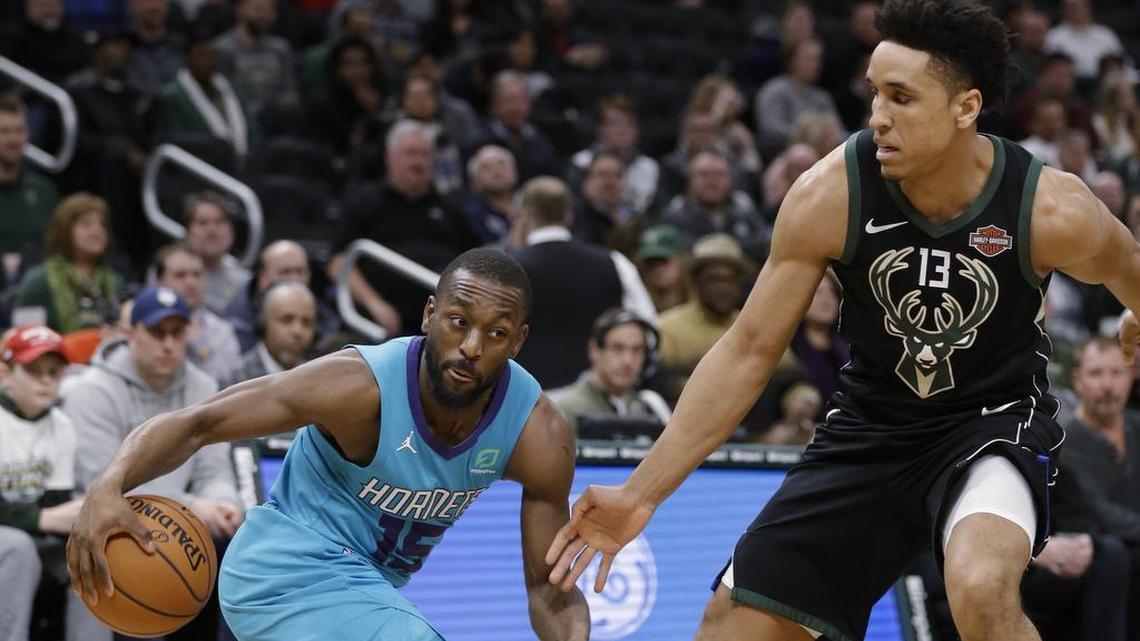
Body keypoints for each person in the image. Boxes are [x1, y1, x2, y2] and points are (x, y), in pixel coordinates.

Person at [545, 3, 1140, 641]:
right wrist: (642, 492)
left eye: (902, 98)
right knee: (731, 628)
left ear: (965, 108)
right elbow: (748, 351)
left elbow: (1130, 264)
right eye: (874, 94)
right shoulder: (830, 193)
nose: (878, 117)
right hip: (871, 425)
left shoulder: (1050, 207)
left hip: (990, 424)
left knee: (979, 587)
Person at [66, 249, 590, 641]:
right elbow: (199, 421)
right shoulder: (356, 386)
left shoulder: (537, 433)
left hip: (365, 592)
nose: (472, 347)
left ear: (518, 342)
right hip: (282, 571)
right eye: (459, 323)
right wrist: (108, 486)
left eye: (496, 335)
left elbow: (549, 588)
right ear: (430, 315)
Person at [63, 284, 243, 640]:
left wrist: (225, 504)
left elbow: (215, 469)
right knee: (147, 563)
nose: (168, 344)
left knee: (242, 547)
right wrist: (193, 507)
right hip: (110, 525)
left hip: (186, 523)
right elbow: (105, 487)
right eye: (157, 333)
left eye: (177, 333)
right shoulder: (92, 390)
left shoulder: (204, 387)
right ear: (131, 333)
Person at [0, 326, 82, 641]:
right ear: (6, 374)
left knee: (89, 553)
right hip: (16, 538)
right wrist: (43, 518)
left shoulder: (62, 426)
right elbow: (47, 515)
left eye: (54, 371)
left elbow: (54, 500)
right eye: (34, 371)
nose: (47, 380)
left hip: (30, 532)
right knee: (18, 549)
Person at [12, 193, 123, 336]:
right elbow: (24, 336)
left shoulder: (117, 283)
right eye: (86, 224)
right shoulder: (38, 282)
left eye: (102, 224)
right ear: (64, 231)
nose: (97, 230)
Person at [550, 308, 671, 435]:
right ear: (594, 351)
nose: (628, 361)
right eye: (617, 348)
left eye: (637, 350)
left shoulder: (650, 407)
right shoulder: (567, 410)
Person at [154, 242, 243, 382]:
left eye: (197, 275)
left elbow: (228, 386)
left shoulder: (222, 331)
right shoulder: (144, 327)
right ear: (159, 281)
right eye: (180, 275)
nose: (191, 283)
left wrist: (202, 347)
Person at [220, 281, 316, 389]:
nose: (298, 331)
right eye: (287, 320)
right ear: (263, 322)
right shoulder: (235, 382)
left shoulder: (317, 378)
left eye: (307, 323)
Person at [183, 192, 251, 315]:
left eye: (219, 222)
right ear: (188, 231)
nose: (212, 230)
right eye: (203, 222)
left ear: (232, 232)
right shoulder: (172, 273)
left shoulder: (244, 281)